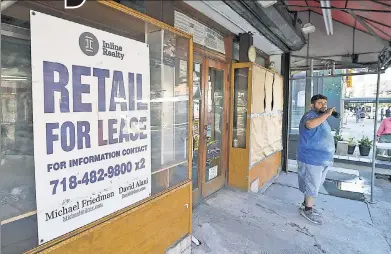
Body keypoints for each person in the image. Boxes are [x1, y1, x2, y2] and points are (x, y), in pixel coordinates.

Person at [297, 94, 335, 225]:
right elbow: (309, 125)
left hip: (322, 159)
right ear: (312, 105)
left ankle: (305, 204)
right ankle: (307, 210)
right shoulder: (310, 116)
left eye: (325, 103)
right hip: (311, 159)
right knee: (312, 184)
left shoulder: (320, 117)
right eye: (320, 103)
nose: (323, 105)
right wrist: (327, 114)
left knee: (314, 185)